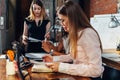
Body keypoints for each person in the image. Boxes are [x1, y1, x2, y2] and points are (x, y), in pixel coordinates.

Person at [42, 0, 104, 79]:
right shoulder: (77, 34)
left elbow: (96, 70)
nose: (61, 24)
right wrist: (54, 59)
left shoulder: (88, 34)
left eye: (63, 20)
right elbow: (73, 57)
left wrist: (61, 67)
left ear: (72, 18)